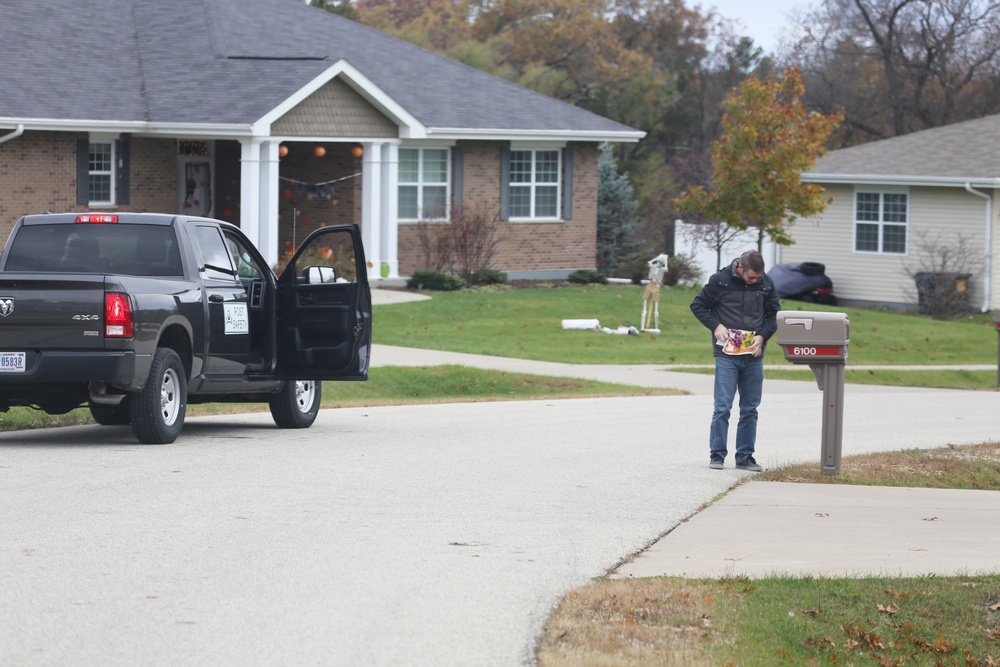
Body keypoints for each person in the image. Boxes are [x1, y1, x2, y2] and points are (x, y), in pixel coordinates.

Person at [690, 249, 781, 472]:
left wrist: (762, 336)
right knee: (722, 407)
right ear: (740, 267)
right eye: (751, 277)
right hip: (727, 356)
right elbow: (698, 306)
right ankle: (717, 455)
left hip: (753, 356)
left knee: (750, 408)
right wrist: (716, 325)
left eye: (757, 277)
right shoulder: (720, 281)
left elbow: (774, 315)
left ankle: (745, 457)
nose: (754, 280)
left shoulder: (765, 284)